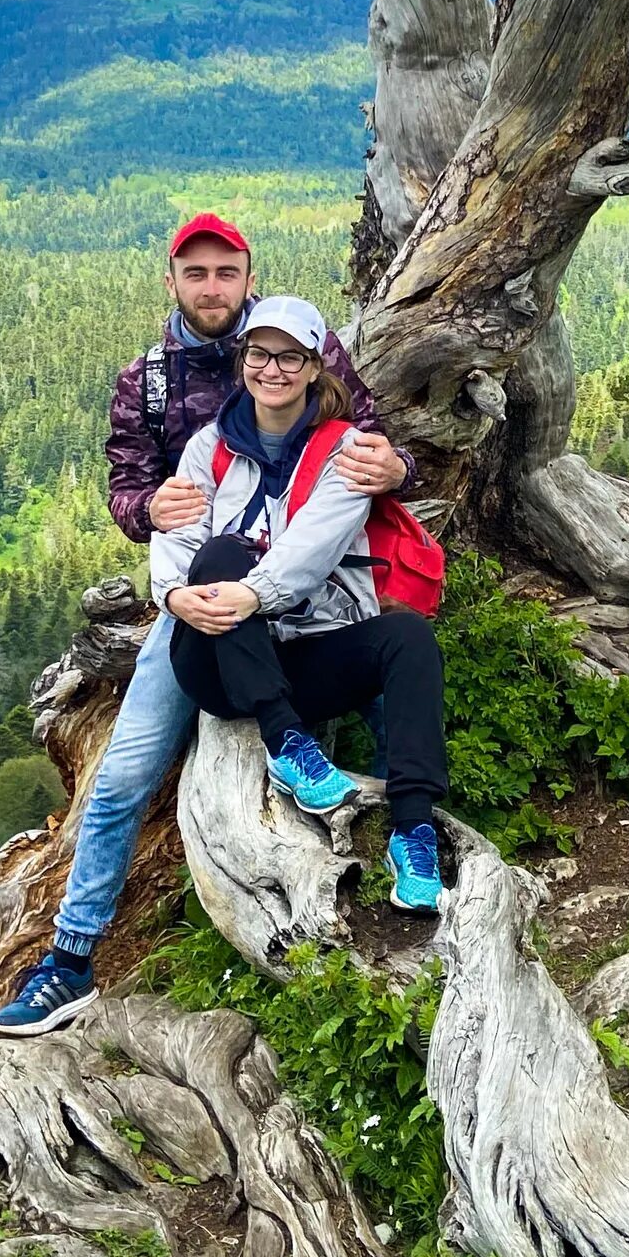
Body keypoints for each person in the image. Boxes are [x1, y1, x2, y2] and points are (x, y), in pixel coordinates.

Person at [0, 215, 408, 1036]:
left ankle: (406, 864)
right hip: (195, 603)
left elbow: (371, 445)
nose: (212, 287)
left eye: (227, 272)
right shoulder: (146, 380)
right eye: (196, 273)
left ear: (250, 278)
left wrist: (400, 467)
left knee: (388, 690)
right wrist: (148, 510)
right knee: (120, 781)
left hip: (305, 594)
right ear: (172, 282)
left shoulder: (298, 346)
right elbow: (128, 490)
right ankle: (69, 962)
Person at [149, 294, 447, 904]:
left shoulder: (349, 452)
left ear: (315, 367)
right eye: (259, 354)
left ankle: (413, 828)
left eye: (290, 357)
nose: (272, 369)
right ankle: (288, 744)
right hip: (216, 662)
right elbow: (179, 529)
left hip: (307, 651)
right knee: (220, 555)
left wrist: (250, 595)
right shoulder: (208, 449)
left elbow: (310, 552)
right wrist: (175, 596)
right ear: (243, 361)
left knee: (409, 638)